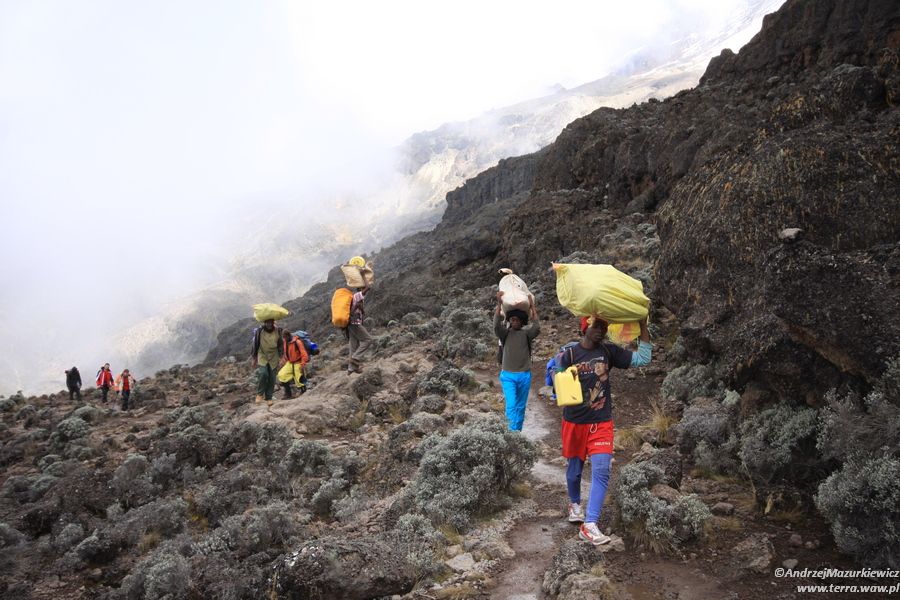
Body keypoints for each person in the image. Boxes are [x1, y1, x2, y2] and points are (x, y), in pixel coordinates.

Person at [556, 315, 651, 545]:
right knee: (575, 471)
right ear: (585, 327)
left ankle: (590, 524)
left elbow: (643, 358)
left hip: (601, 423)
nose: (601, 330)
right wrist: (558, 381)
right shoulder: (569, 354)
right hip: (574, 422)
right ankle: (575, 503)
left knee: (601, 471)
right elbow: (555, 381)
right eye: (596, 325)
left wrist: (643, 326)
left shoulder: (609, 352)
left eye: (604, 327)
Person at [494, 292, 540, 431]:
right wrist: (499, 303)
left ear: (522, 322)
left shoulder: (526, 334)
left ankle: (516, 432)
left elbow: (536, 327)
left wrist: (532, 306)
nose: (514, 322)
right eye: (512, 320)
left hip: (524, 375)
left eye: (517, 320)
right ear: (509, 321)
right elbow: (496, 325)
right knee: (511, 405)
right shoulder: (505, 334)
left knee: (520, 407)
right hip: (508, 375)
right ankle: (510, 432)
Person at [251, 319, 283, 404]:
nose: (269, 324)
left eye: (270, 322)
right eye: (267, 322)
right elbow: (255, 344)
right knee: (263, 373)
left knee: (272, 377)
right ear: (264, 323)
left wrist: (281, 357)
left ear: (273, 323)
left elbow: (280, 344)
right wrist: (254, 358)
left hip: (274, 356)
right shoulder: (259, 331)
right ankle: (259, 394)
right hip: (262, 355)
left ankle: (269, 397)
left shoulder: (278, 331)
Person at [347, 286, 372, 374]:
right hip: (354, 323)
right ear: (360, 288)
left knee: (354, 345)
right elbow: (366, 289)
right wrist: (367, 286)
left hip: (350, 324)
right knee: (368, 339)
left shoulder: (356, 298)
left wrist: (361, 309)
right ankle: (355, 358)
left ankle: (351, 369)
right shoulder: (357, 295)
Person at [278, 330, 309, 399]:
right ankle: (288, 394)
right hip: (290, 362)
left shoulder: (297, 342)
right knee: (282, 375)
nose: (284, 339)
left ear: (289, 335)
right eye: (283, 338)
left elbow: (304, 354)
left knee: (299, 378)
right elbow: (286, 353)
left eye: (285, 337)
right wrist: (283, 361)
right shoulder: (286, 342)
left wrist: (303, 364)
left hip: (298, 362)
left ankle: (303, 392)